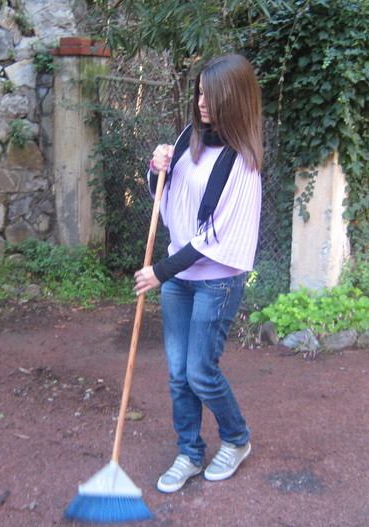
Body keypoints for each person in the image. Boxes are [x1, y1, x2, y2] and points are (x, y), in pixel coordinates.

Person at [133, 53, 263, 494]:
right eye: (200, 92)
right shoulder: (190, 137)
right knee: (176, 372)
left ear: (234, 99)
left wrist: (160, 272)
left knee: (200, 372)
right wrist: (158, 169)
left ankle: (236, 439)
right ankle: (189, 453)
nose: (202, 102)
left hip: (217, 281)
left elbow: (213, 236)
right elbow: (165, 201)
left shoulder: (242, 161)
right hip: (181, 279)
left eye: (212, 95)